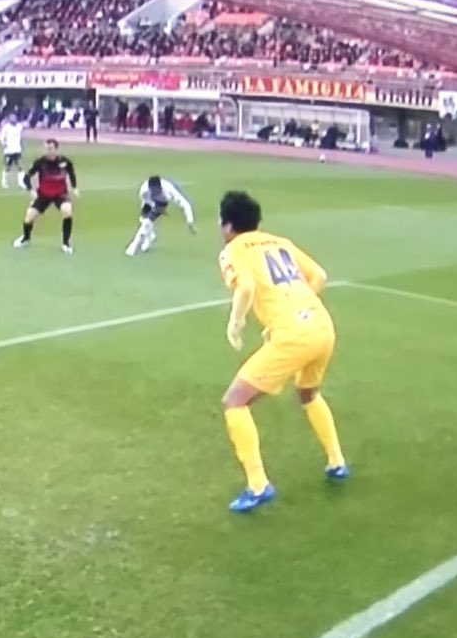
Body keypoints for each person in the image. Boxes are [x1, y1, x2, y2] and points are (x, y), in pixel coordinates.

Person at [216, 190, 348, 513]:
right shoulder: (279, 242)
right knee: (308, 393)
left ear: (228, 225)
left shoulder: (233, 249)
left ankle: (258, 486)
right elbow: (319, 276)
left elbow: (246, 286)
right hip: (322, 326)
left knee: (235, 401)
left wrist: (236, 322)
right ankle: (336, 462)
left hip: (294, 335)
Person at [15, 139, 77, 254]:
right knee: (29, 217)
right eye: (46, 149)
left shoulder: (65, 162)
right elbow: (26, 178)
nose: (48, 151)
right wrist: (31, 190)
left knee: (67, 211)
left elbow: (71, 173)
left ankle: (66, 244)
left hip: (60, 194)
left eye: (50, 148)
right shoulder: (40, 162)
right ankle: (26, 238)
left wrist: (74, 187)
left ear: (56, 149)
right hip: (44, 194)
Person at [127, 174, 196, 256]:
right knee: (144, 221)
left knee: (147, 224)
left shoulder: (169, 190)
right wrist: (152, 207)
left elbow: (185, 204)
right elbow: (145, 201)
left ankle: (132, 248)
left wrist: (190, 221)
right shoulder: (144, 190)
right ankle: (151, 236)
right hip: (148, 202)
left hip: (161, 202)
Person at [0, 117, 25, 190]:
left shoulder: (19, 127)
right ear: (10, 120)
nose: (14, 120)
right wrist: (4, 144)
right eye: (12, 119)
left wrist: (22, 146)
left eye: (14, 119)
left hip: (17, 150)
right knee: (7, 167)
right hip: (9, 151)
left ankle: (21, 183)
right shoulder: (6, 128)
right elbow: (1, 137)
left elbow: (21, 137)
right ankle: (4, 182)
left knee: (20, 166)